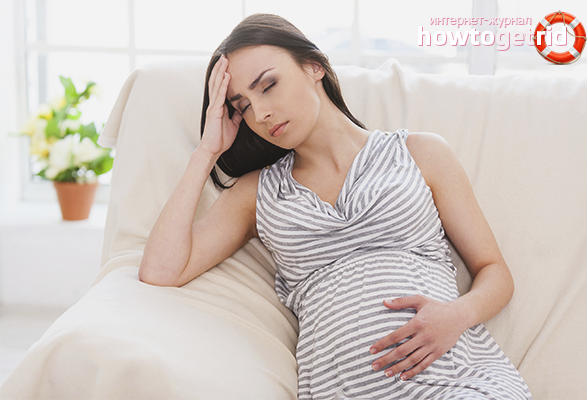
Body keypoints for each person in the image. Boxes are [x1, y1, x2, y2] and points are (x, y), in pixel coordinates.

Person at [139, 13, 532, 400]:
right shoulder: (257, 193)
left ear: (314, 66)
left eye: (268, 86)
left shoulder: (420, 153)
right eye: (242, 106)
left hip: (458, 382)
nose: (260, 114)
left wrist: (457, 315)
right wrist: (206, 152)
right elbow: (160, 271)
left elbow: (494, 271)